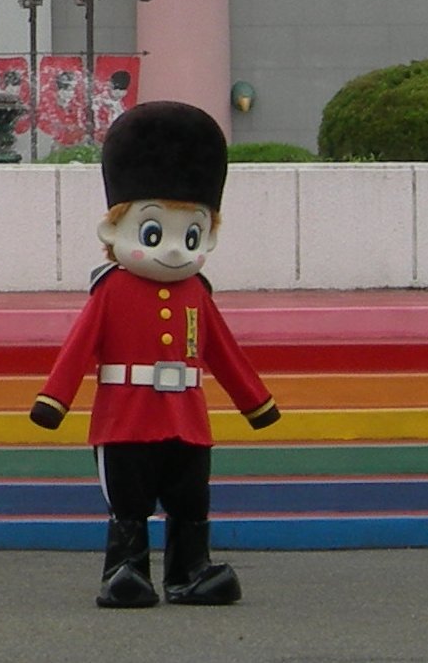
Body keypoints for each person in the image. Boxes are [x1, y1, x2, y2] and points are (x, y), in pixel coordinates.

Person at [29, 101, 282, 609]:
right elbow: (78, 348)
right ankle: (126, 571)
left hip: (187, 419)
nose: (174, 250)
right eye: (153, 233)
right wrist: (53, 401)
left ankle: (190, 570)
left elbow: (224, 354)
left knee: (192, 502)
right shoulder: (112, 292)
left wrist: (257, 404)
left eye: (190, 235)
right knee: (129, 505)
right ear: (113, 231)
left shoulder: (197, 293)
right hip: (124, 420)